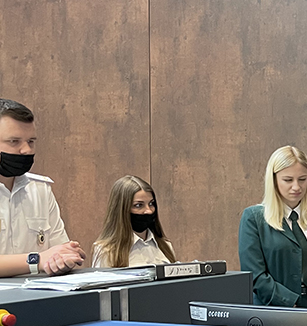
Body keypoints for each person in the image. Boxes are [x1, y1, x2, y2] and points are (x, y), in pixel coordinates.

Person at [238, 146, 307, 308]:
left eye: (302, 179)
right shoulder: (253, 219)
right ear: (274, 180)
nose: (296, 187)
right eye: (288, 180)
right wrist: (293, 306)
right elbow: (255, 276)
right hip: (276, 312)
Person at [0, 99, 85, 277]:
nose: (26, 150)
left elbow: (57, 250)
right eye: (14, 141)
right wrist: (36, 260)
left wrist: (65, 257)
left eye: (31, 141)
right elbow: (42, 259)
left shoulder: (40, 190)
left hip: (37, 292)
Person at [92, 175, 176, 268]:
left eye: (151, 203)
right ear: (122, 210)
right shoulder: (106, 251)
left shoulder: (165, 246)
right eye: (139, 205)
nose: (148, 211)